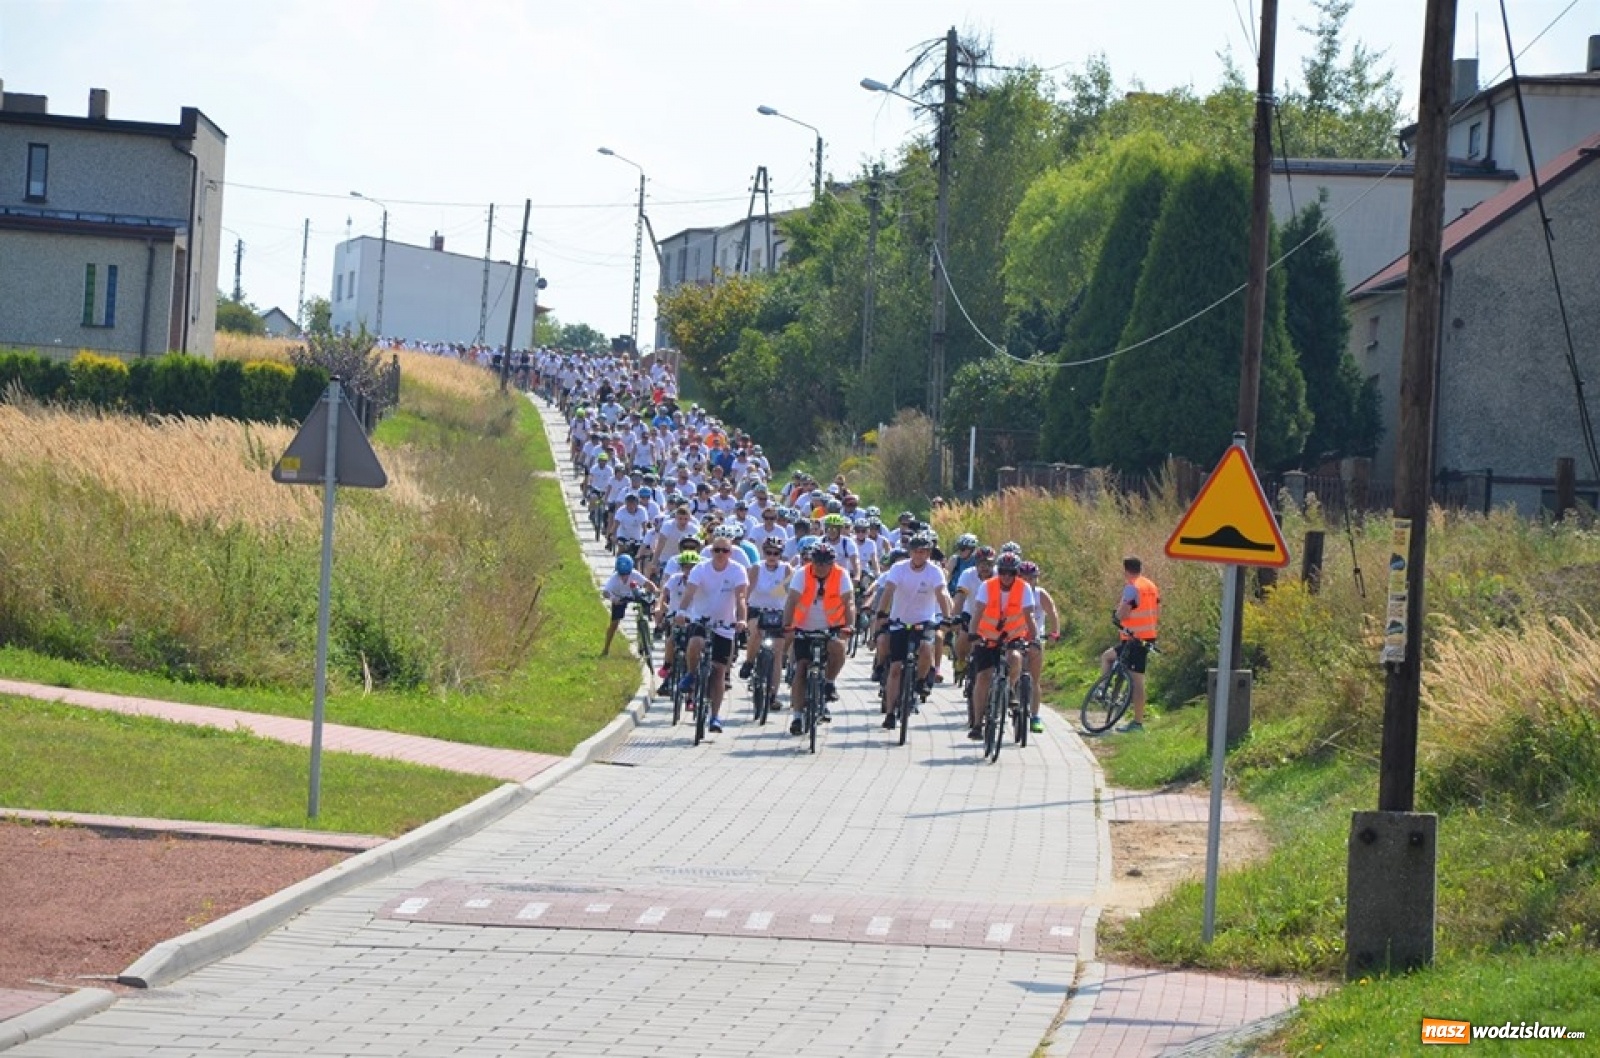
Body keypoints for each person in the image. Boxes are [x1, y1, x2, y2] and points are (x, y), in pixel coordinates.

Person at [873, 532, 954, 730]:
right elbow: (889, 590)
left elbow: (942, 593)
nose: (920, 555)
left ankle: (919, 681)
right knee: (895, 669)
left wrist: (947, 617)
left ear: (929, 553)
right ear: (911, 552)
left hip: (924, 620)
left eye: (925, 552)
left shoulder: (934, 571)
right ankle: (890, 712)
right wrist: (882, 613)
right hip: (900, 620)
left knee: (927, 648)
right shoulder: (899, 568)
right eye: (917, 551)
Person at [675, 533, 750, 735]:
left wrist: (741, 619)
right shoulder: (700, 569)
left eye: (724, 551)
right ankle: (691, 674)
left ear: (730, 553)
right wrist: (682, 612)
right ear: (710, 551)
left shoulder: (737, 570)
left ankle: (715, 716)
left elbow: (741, 597)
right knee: (696, 642)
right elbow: (689, 593)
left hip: (725, 624)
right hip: (701, 617)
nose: (720, 554)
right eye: (716, 550)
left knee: (718, 671)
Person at [782, 540, 855, 735]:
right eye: (818, 562)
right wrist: (787, 626)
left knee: (838, 648)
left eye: (826, 563)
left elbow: (848, 603)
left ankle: (829, 682)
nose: (821, 567)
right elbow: (791, 600)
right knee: (801, 668)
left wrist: (849, 626)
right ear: (812, 561)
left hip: (831, 625)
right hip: (804, 625)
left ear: (832, 563)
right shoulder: (802, 574)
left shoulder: (841, 575)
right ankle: (797, 715)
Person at [968, 552, 1039, 740]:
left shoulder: (1024, 588)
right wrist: (973, 634)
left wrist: (1035, 639)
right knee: (983, 677)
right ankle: (977, 724)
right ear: (998, 571)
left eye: (1011, 572)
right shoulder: (987, 586)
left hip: (1013, 635)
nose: (1007, 576)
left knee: (1015, 658)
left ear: (1016, 573)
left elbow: (1029, 616)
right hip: (988, 636)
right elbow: (978, 612)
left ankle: (1010, 688)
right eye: (1003, 572)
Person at [1103, 555, 1160, 732]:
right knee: (1114, 660)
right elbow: (1157, 609)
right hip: (1148, 635)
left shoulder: (1132, 587)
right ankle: (1109, 693)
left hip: (1134, 637)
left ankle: (1136, 722)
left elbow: (1125, 612)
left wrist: (1116, 616)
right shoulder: (1151, 586)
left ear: (1126, 570)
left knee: (1135, 678)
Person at [1018, 560, 1061, 734]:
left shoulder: (1040, 594)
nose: (1028, 581)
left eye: (1031, 578)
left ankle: (1035, 716)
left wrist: (1055, 632)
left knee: (1034, 679)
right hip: (1017, 636)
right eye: (1024, 577)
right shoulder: (1015, 593)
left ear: (1036, 579)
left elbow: (1052, 613)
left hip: (1036, 638)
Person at [601, 555, 660, 657]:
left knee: (647, 605)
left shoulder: (634, 574)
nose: (624, 577)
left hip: (633, 594)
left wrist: (655, 590)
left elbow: (647, 583)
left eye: (627, 574)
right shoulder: (614, 579)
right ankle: (606, 648)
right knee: (614, 623)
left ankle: (645, 638)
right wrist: (613, 599)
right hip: (619, 598)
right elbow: (605, 592)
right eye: (622, 574)